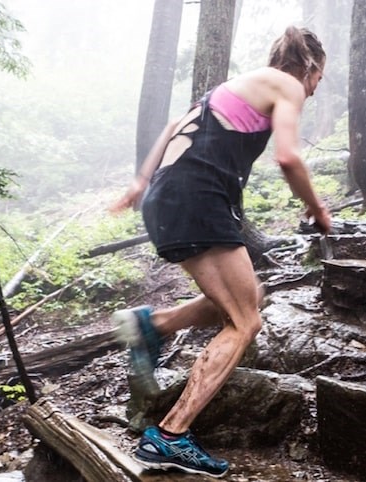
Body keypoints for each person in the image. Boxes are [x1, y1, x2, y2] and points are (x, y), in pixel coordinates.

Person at [109, 26, 332, 478]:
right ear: (309, 67)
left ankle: (153, 325)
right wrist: (316, 206)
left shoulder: (228, 89)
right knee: (245, 321)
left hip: (167, 199)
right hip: (200, 198)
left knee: (252, 295)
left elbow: (173, 127)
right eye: (318, 79)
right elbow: (287, 157)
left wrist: (139, 184)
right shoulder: (286, 83)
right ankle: (169, 436)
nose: (312, 89)